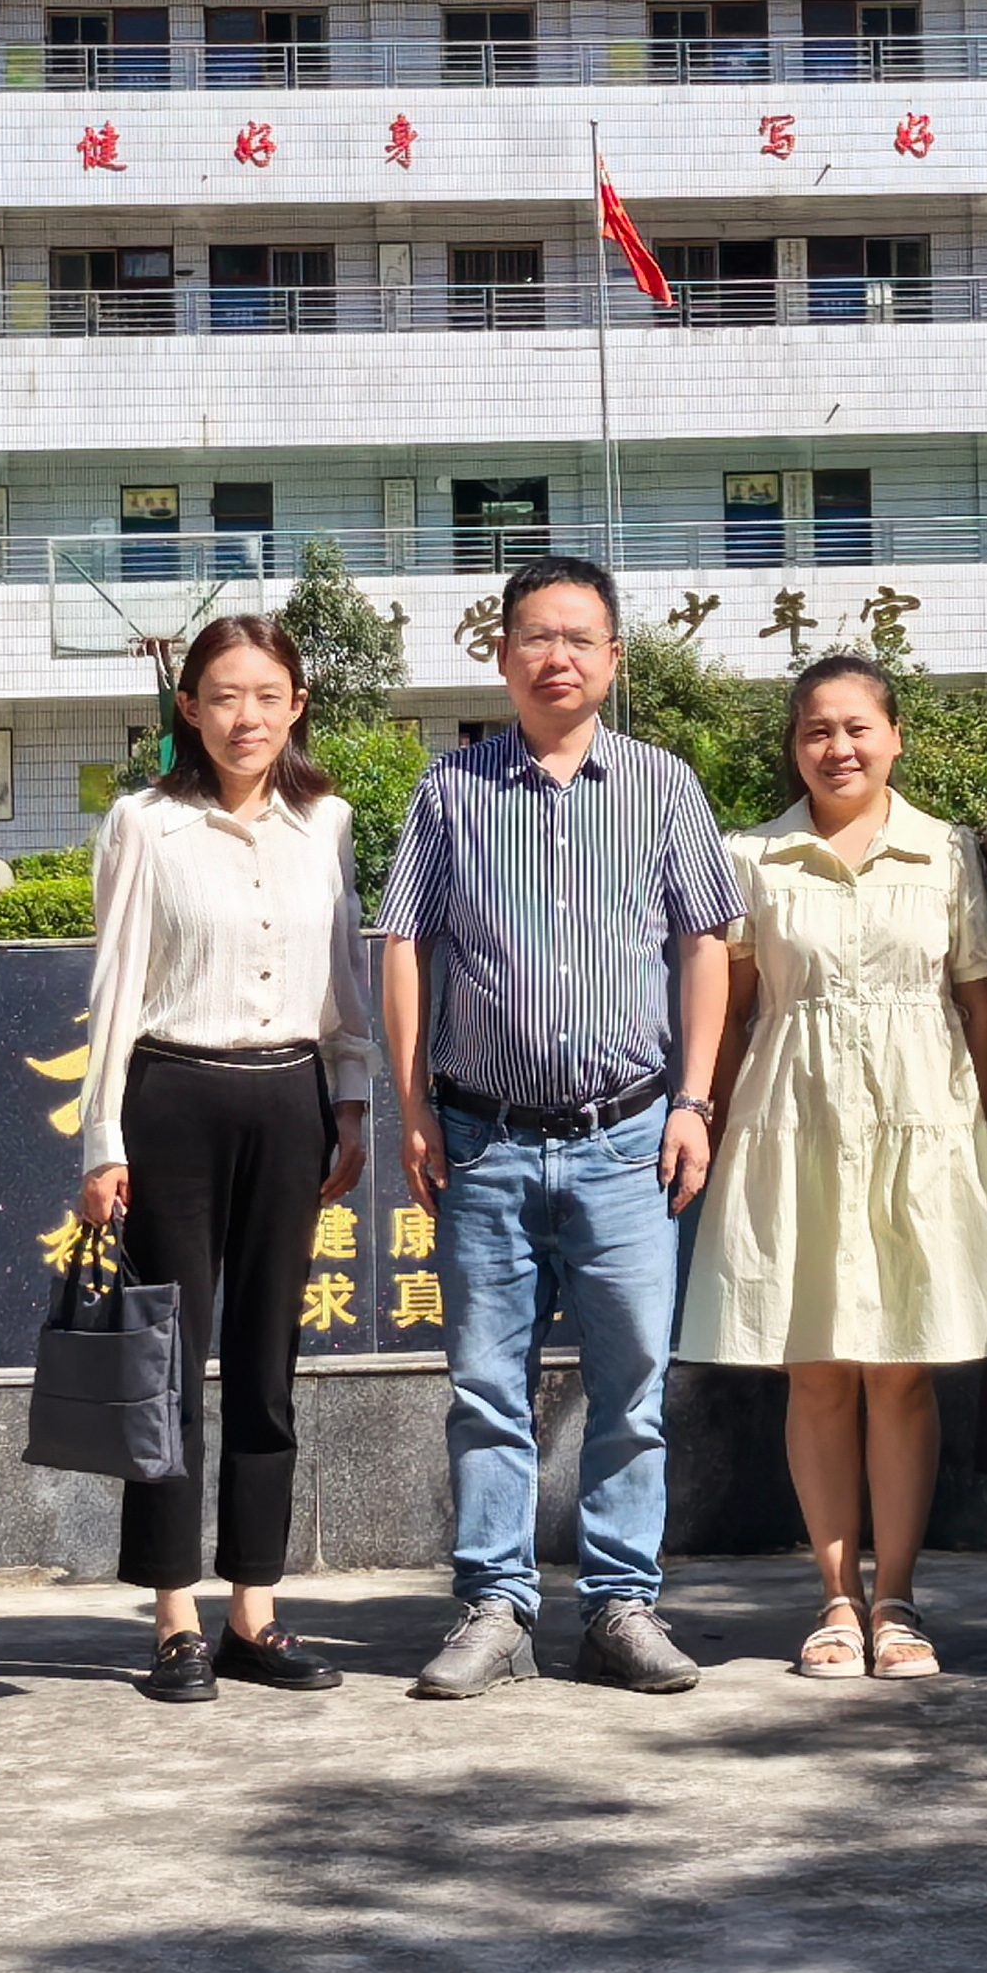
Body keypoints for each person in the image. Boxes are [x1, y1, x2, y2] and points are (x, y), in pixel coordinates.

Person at [379, 553, 736, 1700]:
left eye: (580, 638)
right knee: (488, 1389)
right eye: (536, 636)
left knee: (631, 1387)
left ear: (613, 658)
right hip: (482, 1140)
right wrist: (412, 1105)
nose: (557, 657)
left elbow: (705, 942)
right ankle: (494, 1608)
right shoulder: (451, 791)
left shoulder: (664, 786)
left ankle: (622, 1607)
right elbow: (403, 944)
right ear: (502, 656)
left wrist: (694, 1101)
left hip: (629, 1139)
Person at [678, 653, 987, 1680]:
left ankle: (897, 1600)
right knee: (816, 1370)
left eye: (859, 727)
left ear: (895, 737)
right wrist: (709, 1116)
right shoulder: (751, 857)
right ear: (794, 745)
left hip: (922, 1128)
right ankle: (833, 1600)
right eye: (817, 729)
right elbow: (732, 1012)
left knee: (902, 1371)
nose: (839, 748)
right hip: (795, 1125)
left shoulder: (947, 853)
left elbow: (980, 1004)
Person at [71, 612, 374, 1706]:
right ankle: (173, 1620)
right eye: (224, 696)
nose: (246, 717)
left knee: (266, 1366)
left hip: (290, 1101)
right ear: (189, 708)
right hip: (174, 1101)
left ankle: (254, 1610)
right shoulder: (145, 824)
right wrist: (102, 1139)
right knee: (167, 1367)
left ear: (297, 706)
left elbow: (344, 969)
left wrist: (351, 1101)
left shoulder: (326, 821)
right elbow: (115, 984)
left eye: (267, 695)